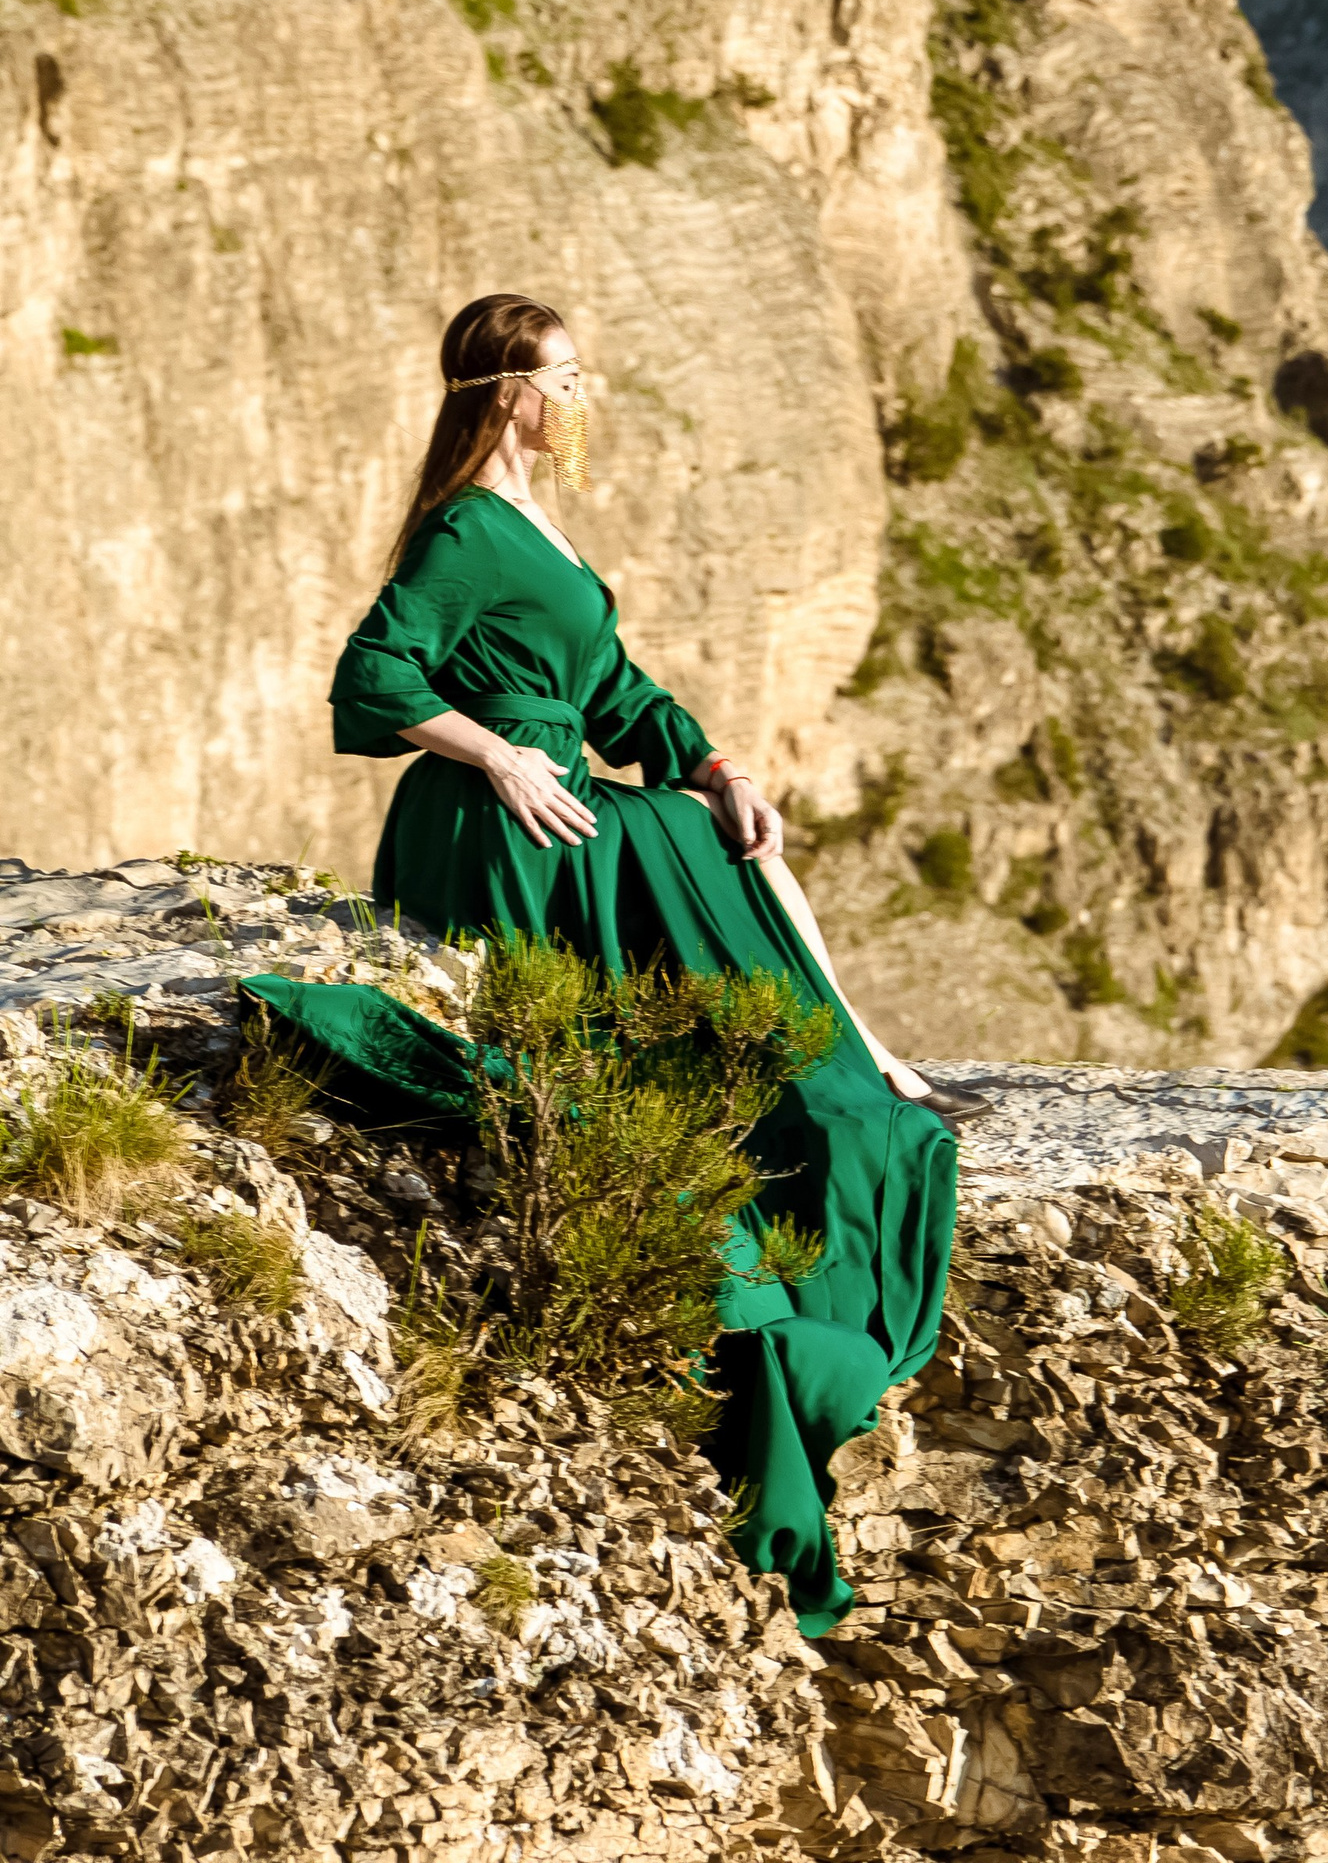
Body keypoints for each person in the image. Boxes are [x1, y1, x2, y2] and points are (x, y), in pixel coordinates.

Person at [247, 290, 965, 1636]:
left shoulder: (537, 524)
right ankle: (860, 1058)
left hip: (566, 796)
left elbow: (618, 689)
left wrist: (714, 757)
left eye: (579, 375)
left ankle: (860, 1051)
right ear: (499, 391)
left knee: (721, 822)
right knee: (698, 846)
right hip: (505, 824)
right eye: (558, 377)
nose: (579, 396)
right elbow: (375, 673)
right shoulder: (466, 526)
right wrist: (502, 752)